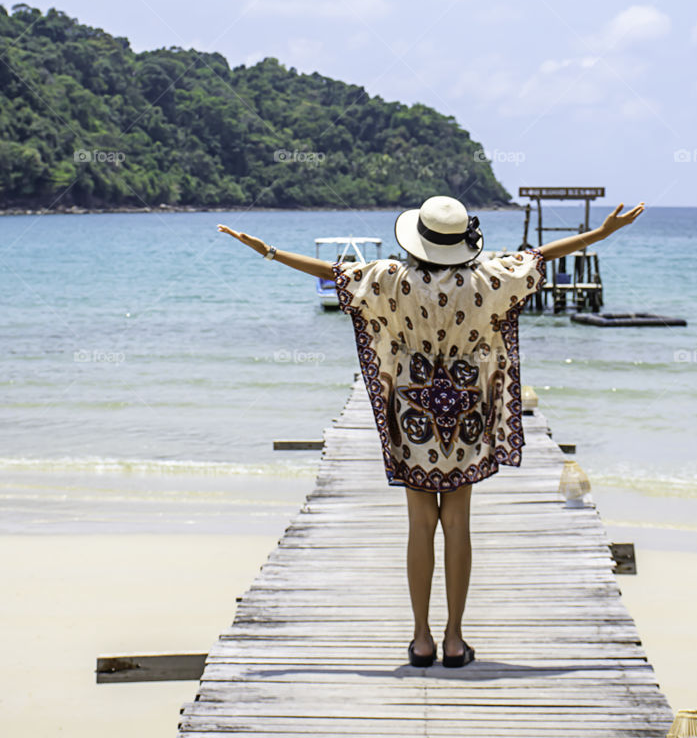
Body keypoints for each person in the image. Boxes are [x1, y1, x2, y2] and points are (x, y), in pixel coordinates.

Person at [217, 194, 644, 669]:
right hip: (463, 407)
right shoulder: (487, 277)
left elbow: (330, 272)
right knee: (458, 521)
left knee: (420, 524)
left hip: (413, 406)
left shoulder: (391, 279)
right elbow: (542, 257)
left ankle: (421, 640)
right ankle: (455, 641)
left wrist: (269, 252)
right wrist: (601, 235)